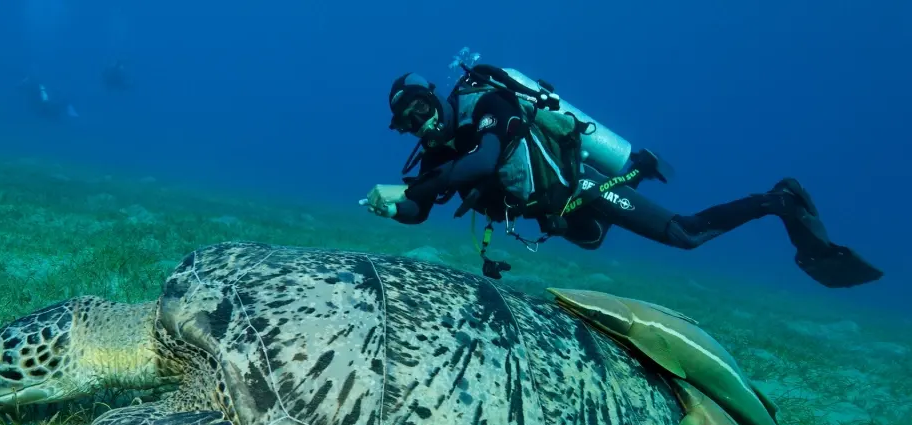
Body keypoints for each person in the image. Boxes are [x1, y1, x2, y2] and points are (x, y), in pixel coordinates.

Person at [361, 65, 882, 287]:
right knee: (588, 241)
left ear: (436, 97)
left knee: (686, 235)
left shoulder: (486, 103)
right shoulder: (431, 158)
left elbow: (486, 161)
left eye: (422, 107)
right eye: (407, 121)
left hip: (580, 187)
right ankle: (635, 172)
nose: (421, 122)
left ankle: (778, 199)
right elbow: (419, 212)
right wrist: (395, 207)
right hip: (558, 216)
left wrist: (412, 188)